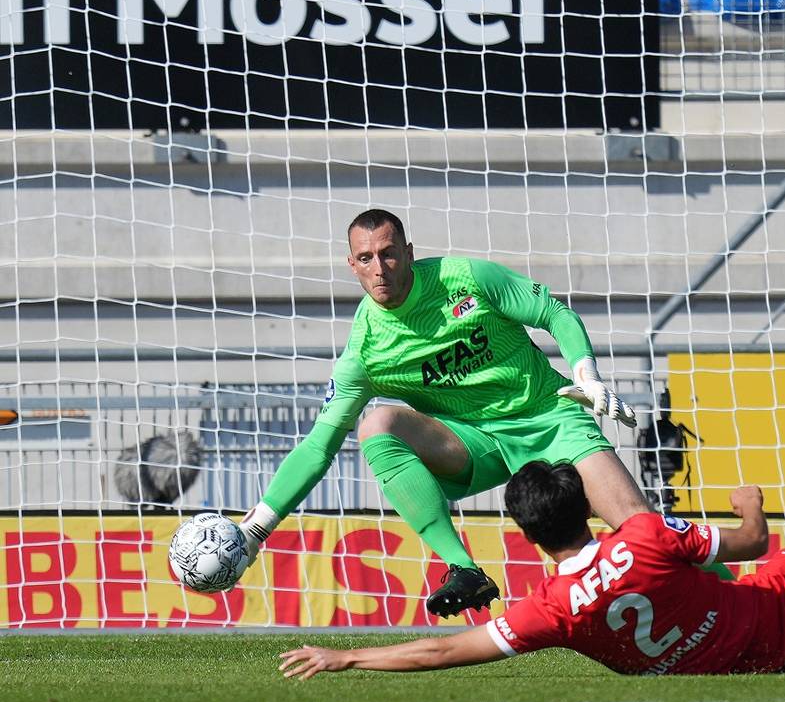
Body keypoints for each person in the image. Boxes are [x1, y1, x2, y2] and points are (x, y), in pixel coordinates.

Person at [237, 208, 653, 618]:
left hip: (549, 418)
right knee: (378, 424)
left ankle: (714, 597)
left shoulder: (467, 278)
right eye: (366, 258)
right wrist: (257, 529)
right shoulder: (365, 353)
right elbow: (317, 447)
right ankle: (465, 569)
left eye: (389, 253)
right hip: (473, 445)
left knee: (643, 533)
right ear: (352, 265)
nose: (379, 268)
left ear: (409, 252)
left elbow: (553, 313)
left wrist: (586, 373)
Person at [278, 461, 785, 679]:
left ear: (526, 534)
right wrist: (750, 507)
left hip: (705, 671)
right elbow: (750, 546)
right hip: (764, 619)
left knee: (713, 613)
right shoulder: (645, 534)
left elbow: (447, 649)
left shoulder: (550, 607)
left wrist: (348, 654)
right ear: (585, 501)